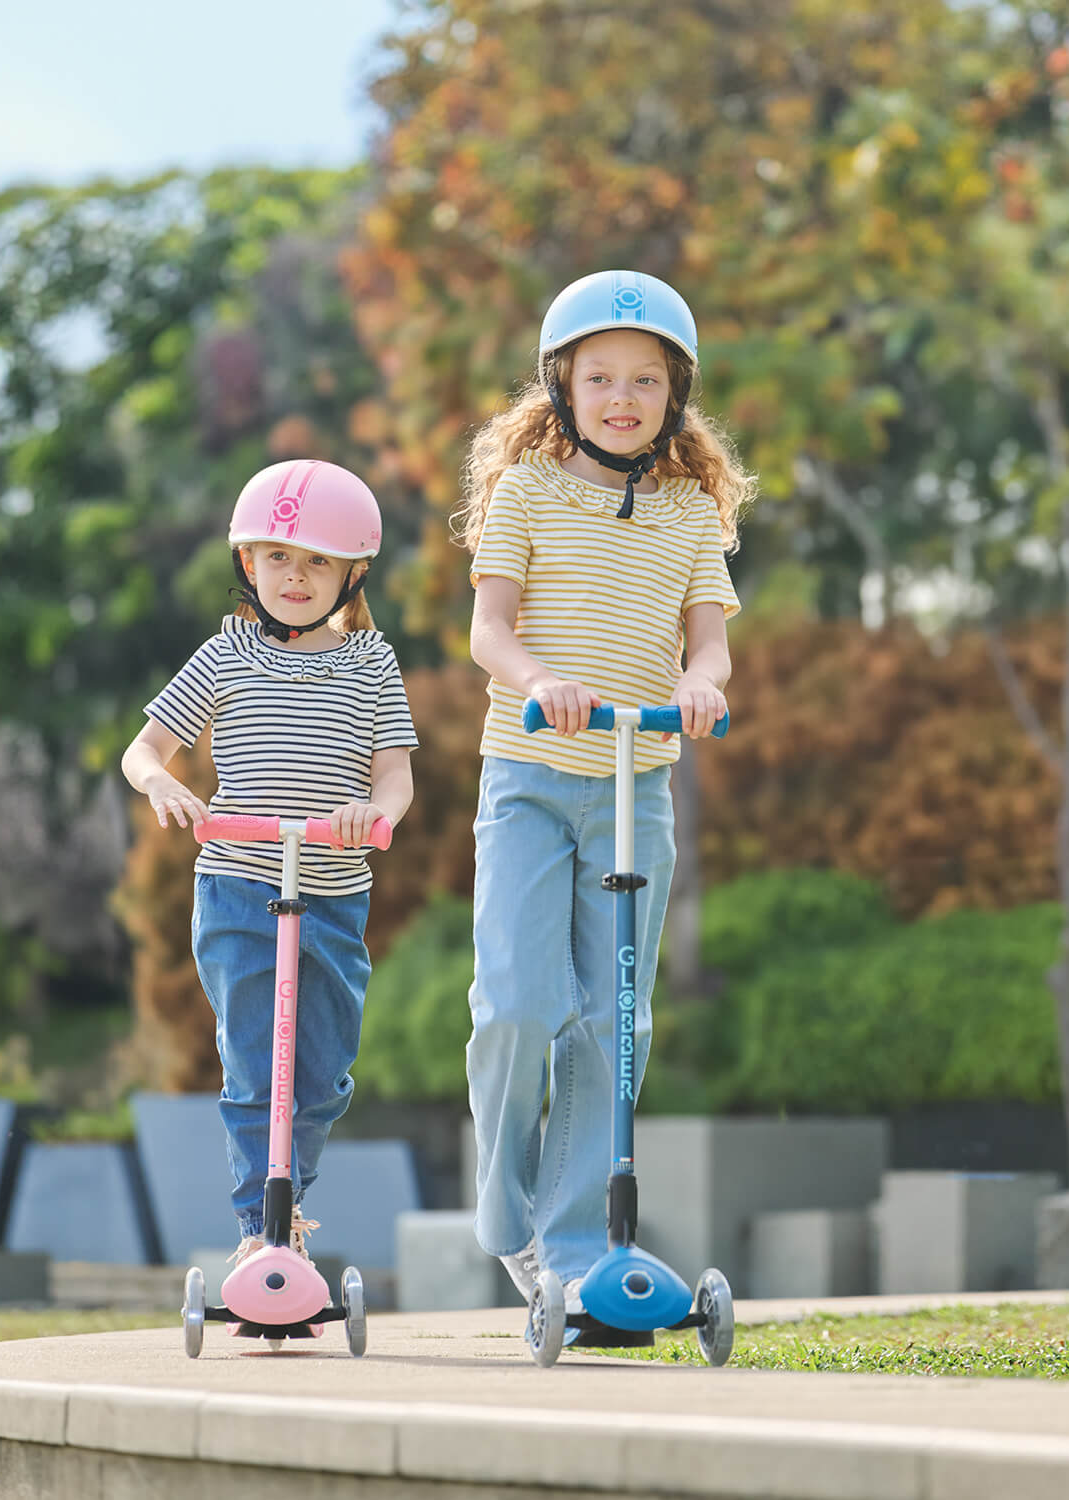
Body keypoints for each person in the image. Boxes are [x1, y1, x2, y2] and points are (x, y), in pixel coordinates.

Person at [455, 269, 753, 1321]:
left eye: (645, 380)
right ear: (562, 388)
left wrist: (700, 687)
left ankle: (576, 1246)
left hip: (638, 788)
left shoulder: (689, 514)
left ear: (675, 394)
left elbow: (707, 645)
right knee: (522, 1008)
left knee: (613, 1024)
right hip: (533, 779)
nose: (622, 397)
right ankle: (505, 1218)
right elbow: (488, 629)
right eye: (600, 379)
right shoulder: (528, 493)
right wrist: (542, 683)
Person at [121, 459, 417, 1266]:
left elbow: (395, 772)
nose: (295, 575)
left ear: (352, 574)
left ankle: (289, 1210)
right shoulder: (225, 656)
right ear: (246, 564)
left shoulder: (372, 664)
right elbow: (143, 752)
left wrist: (375, 814)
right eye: (278, 557)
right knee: (257, 1063)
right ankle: (263, 1234)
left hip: (333, 889)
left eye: (317, 560)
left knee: (320, 1077)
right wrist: (166, 789)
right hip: (238, 884)